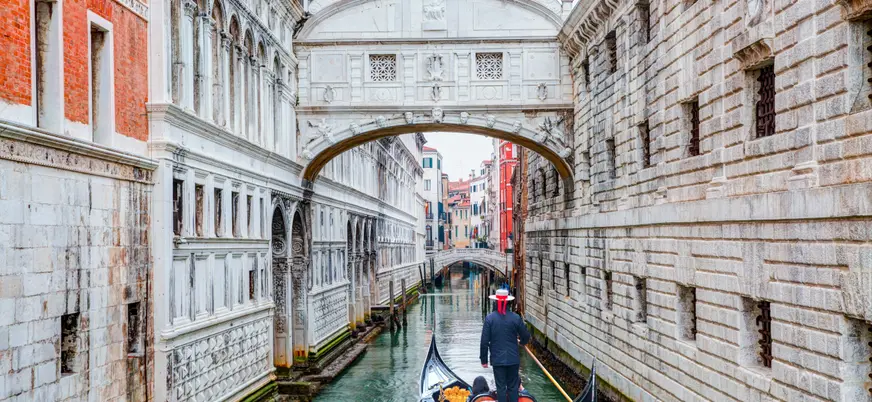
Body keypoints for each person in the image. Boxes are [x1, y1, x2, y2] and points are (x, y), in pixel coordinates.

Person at [479, 288, 531, 402]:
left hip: (498, 360)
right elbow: (526, 336)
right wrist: (522, 343)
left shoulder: (489, 319)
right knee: (513, 388)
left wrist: (484, 360)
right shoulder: (516, 318)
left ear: (495, 301)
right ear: (507, 302)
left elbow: (484, 342)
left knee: (501, 388)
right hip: (513, 359)